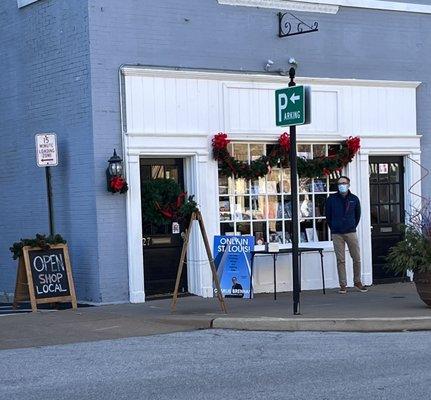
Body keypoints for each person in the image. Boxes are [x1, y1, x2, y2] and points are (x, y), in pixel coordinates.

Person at [325, 176, 368, 294]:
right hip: (337, 233)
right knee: (341, 260)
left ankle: (357, 281)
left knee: (357, 258)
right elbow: (328, 216)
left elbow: (357, 215)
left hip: (350, 231)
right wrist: (334, 227)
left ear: (348, 185)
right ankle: (343, 284)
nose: (341, 185)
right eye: (339, 183)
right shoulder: (331, 199)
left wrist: (351, 225)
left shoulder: (354, 199)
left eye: (344, 183)